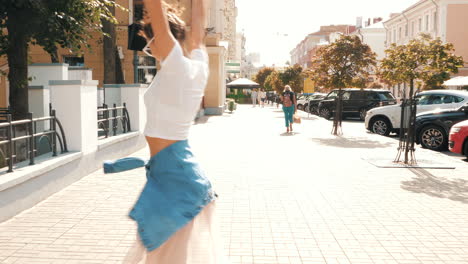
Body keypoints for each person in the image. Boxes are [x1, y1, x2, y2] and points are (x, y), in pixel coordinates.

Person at [119, 0, 226, 263]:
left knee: (162, 256)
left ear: (162, 36)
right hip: (173, 172)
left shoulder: (177, 63)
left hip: (175, 176)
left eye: (149, 40)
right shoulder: (198, 64)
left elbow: (158, 12)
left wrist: (156, 14)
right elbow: (199, 22)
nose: (148, 47)